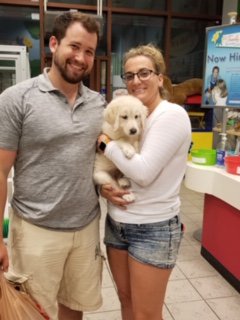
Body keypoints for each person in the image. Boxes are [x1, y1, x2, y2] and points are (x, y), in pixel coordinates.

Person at [0, 11, 106, 320]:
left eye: (89, 51)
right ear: (53, 44)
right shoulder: (17, 98)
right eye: (74, 46)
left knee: (74, 308)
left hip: (86, 229)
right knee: (32, 313)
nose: (81, 57)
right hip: (36, 231)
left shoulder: (98, 104)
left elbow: (95, 158)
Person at [98, 44, 192, 320]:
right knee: (126, 302)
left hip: (154, 229)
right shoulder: (132, 112)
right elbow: (116, 169)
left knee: (146, 314)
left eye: (144, 73)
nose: (136, 81)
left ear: (159, 78)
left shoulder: (171, 115)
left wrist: (105, 144)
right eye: (129, 76)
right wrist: (104, 187)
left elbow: (143, 171)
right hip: (117, 223)